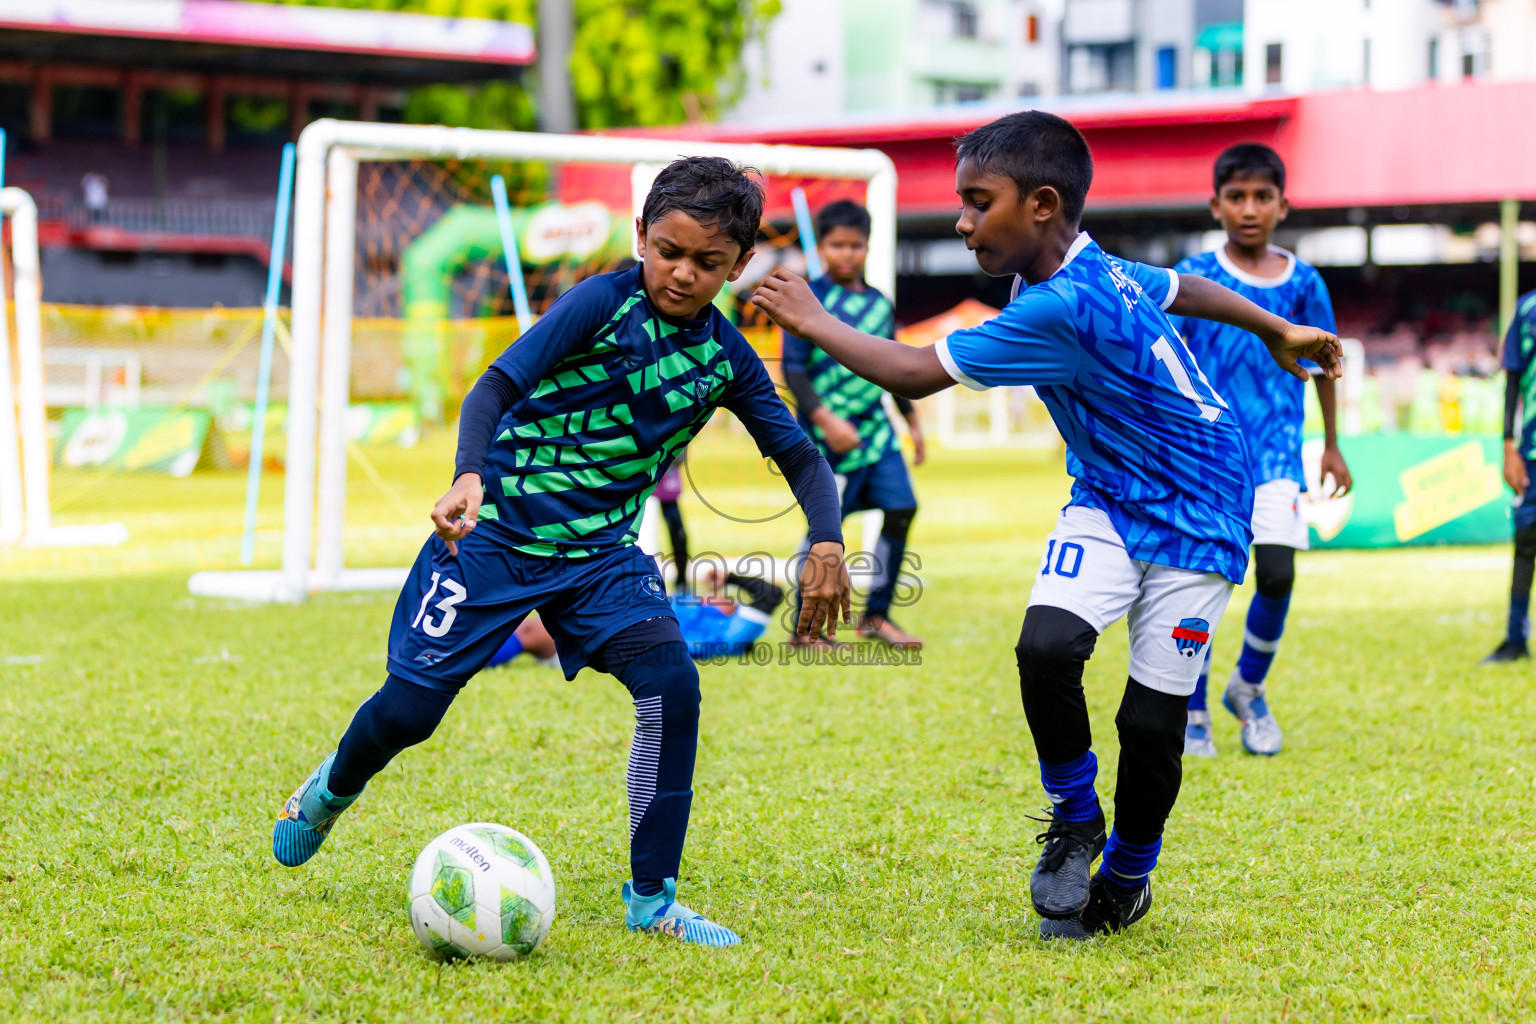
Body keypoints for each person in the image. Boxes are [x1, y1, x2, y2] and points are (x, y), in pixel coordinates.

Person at [751, 110, 1341, 940]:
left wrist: (811, 318)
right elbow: (1184, 286)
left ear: (1041, 205)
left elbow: (916, 373)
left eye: (976, 202)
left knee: (1149, 722)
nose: (959, 221)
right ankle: (1074, 822)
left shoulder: (1062, 304)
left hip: (1205, 508)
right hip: (1107, 494)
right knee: (1045, 645)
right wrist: (1274, 326)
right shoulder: (1090, 265)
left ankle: (1129, 875)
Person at [272, 157, 853, 948]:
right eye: (669, 251)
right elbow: (495, 388)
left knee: (672, 685)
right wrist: (469, 475)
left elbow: (803, 458)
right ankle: (328, 792)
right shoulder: (600, 303)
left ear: (739, 265)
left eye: (708, 263)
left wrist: (826, 541)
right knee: (408, 714)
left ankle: (653, 901)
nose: (682, 274)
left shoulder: (725, 358)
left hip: (601, 558)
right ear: (642, 235)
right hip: (493, 535)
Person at [1170, 143, 1353, 758]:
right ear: (1216, 204)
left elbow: (1327, 364)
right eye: (1237, 197)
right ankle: (1192, 709)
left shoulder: (1305, 282)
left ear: (1283, 205)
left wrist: (1330, 444)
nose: (1250, 209)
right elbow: (1166, 361)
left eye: (1262, 197)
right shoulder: (1194, 275)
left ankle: (1247, 687)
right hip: (1206, 457)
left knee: (1276, 572)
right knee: (1198, 583)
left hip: (1276, 453)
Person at [781, 200, 926, 649]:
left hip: (876, 434)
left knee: (902, 507)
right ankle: (805, 630)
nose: (846, 254)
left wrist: (912, 421)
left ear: (867, 246)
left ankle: (876, 616)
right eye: (836, 245)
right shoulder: (809, 300)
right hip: (826, 439)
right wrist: (825, 418)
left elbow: (894, 366)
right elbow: (794, 368)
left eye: (855, 245)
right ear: (821, 247)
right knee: (826, 529)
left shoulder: (880, 304)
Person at [491, 570, 785, 666]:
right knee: (520, 622)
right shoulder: (694, 607)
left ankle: (462, 660)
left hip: (609, 637)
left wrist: (731, 577)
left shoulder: (727, 637)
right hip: (608, 613)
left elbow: (771, 594)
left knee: (531, 631)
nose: (711, 597)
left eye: (729, 601)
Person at [1484, 288, 1536, 663]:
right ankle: (1515, 637)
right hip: (1531, 451)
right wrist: (1507, 445)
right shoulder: (1528, 308)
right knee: (1526, 539)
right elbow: (1513, 380)